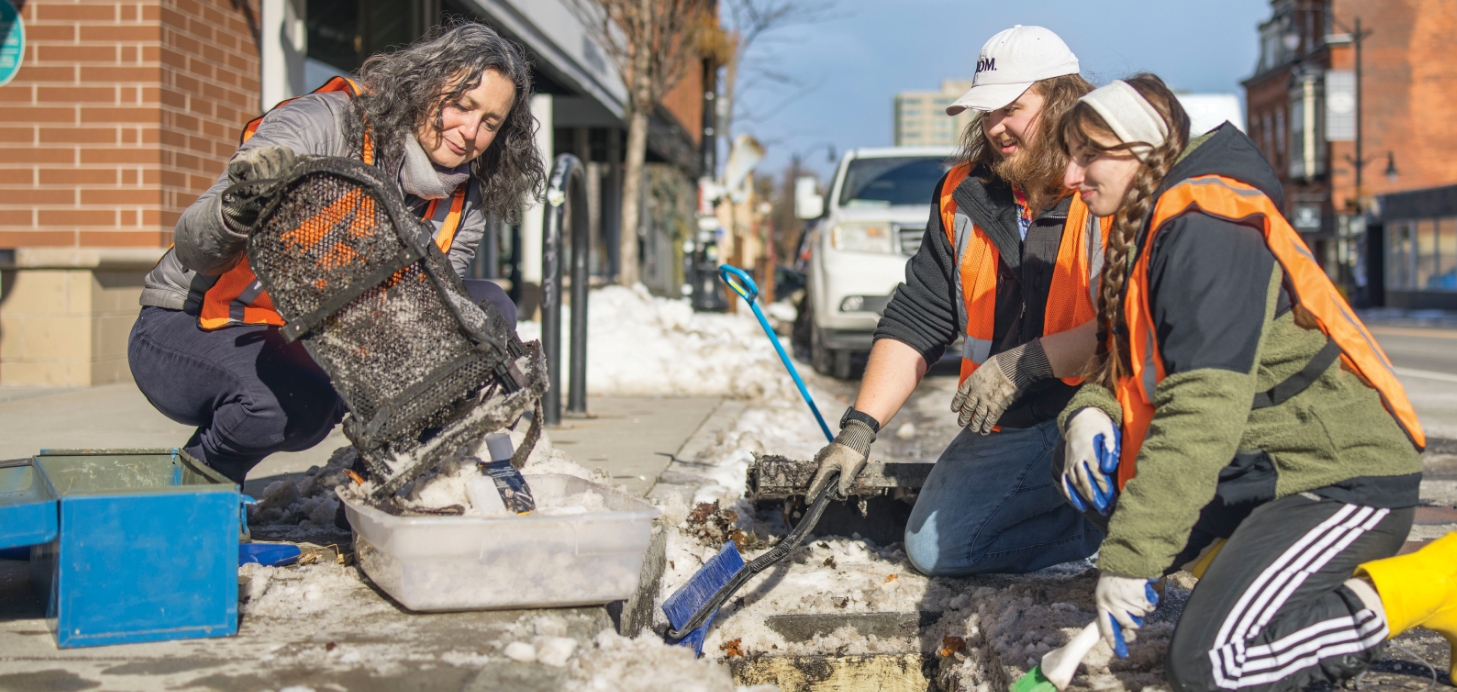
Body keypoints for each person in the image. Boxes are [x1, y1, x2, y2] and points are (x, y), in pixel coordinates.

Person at [1054, 73, 1453, 692]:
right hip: (1261, 475)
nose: (1071, 178)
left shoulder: (1206, 227)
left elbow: (1201, 409)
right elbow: (1125, 363)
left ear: (1141, 148)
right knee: (1136, 533)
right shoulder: (1149, 221)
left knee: (1213, 665)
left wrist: (1133, 561)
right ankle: (1249, 567)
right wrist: (1090, 413)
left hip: (1334, 476)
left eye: (1089, 156)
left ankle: (1435, 585)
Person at [129, 23, 543, 485]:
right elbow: (193, 245)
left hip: (310, 335)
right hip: (195, 322)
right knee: (296, 400)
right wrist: (239, 209)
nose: (470, 132)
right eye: (462, 105)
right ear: (424, 86)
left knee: (485, 312)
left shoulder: (464, 198)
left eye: (490, 122)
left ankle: (376, 484)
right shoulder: (323, 123)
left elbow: (426, 324)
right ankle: (200, 486)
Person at [809, 25, 1107, 576]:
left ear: (1063, 101)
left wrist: (1026, 363)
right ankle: (1089, 527)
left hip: (1104, 408)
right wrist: (858, 430)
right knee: (934, 549)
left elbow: (1134, 328)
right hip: (1016, 422)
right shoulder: (962, 194)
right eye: (987, 113)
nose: (996, 128)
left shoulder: (1106, 188)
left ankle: (1132, 524)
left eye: (1012, 108)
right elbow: (920, 314)